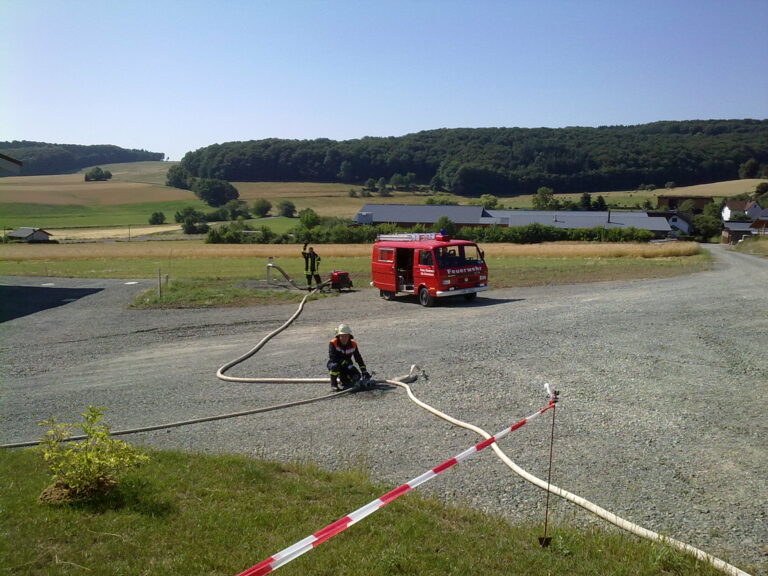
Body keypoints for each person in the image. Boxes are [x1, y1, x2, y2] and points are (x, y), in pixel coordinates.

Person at [327, 323, 370, 390]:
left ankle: (345, 381)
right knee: (334, 366)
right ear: (338, 336)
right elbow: (332, 357)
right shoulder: (333, 343)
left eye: (346, 336)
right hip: (335, 363)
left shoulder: (353, 344)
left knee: (357, 376)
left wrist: (364, 371)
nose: (344, 338)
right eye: (342, 336)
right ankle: (334, 384)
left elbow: (358, 358)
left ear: (349, 336)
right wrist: (343, 363)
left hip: (347, 365)